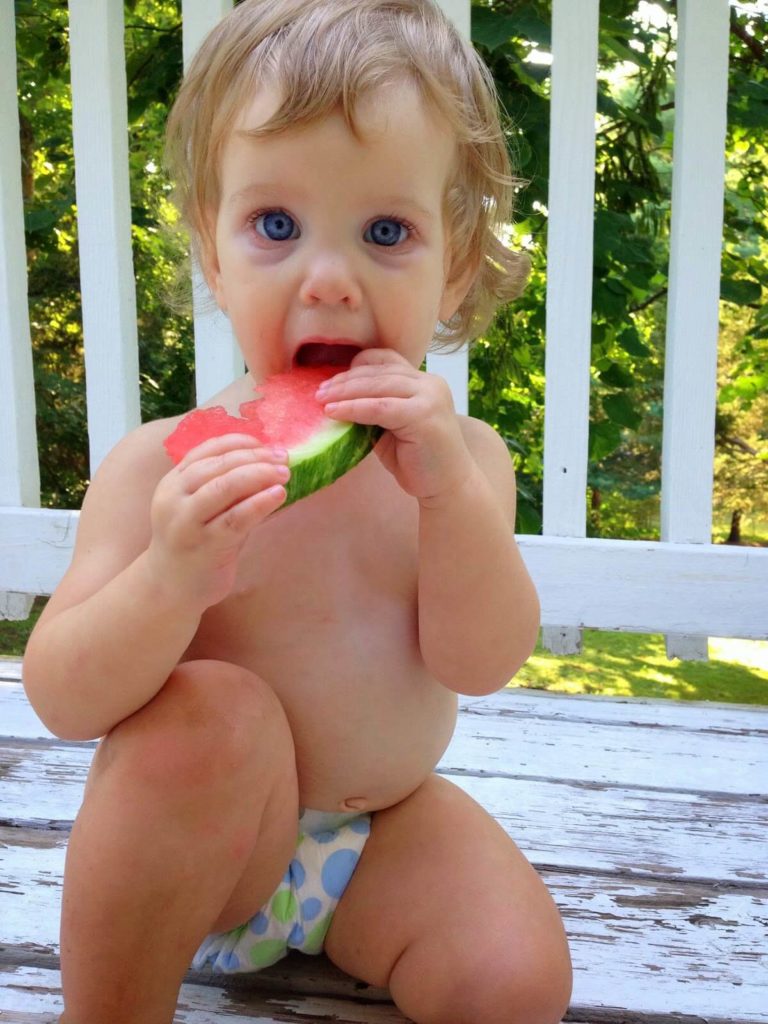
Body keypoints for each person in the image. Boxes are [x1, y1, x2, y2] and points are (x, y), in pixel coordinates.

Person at [23, 1, 572, 1021]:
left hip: (376, 839)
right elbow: (61, 696)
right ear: (213, 251)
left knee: (519, 980)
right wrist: (169, 577)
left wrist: (450, 500)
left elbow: (481, 662)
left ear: (453, 264)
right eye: (276, 226)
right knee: (211, 719)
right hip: (203, 846)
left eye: (386, 232)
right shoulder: (160, 468)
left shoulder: (466, 462)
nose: (329, 281)